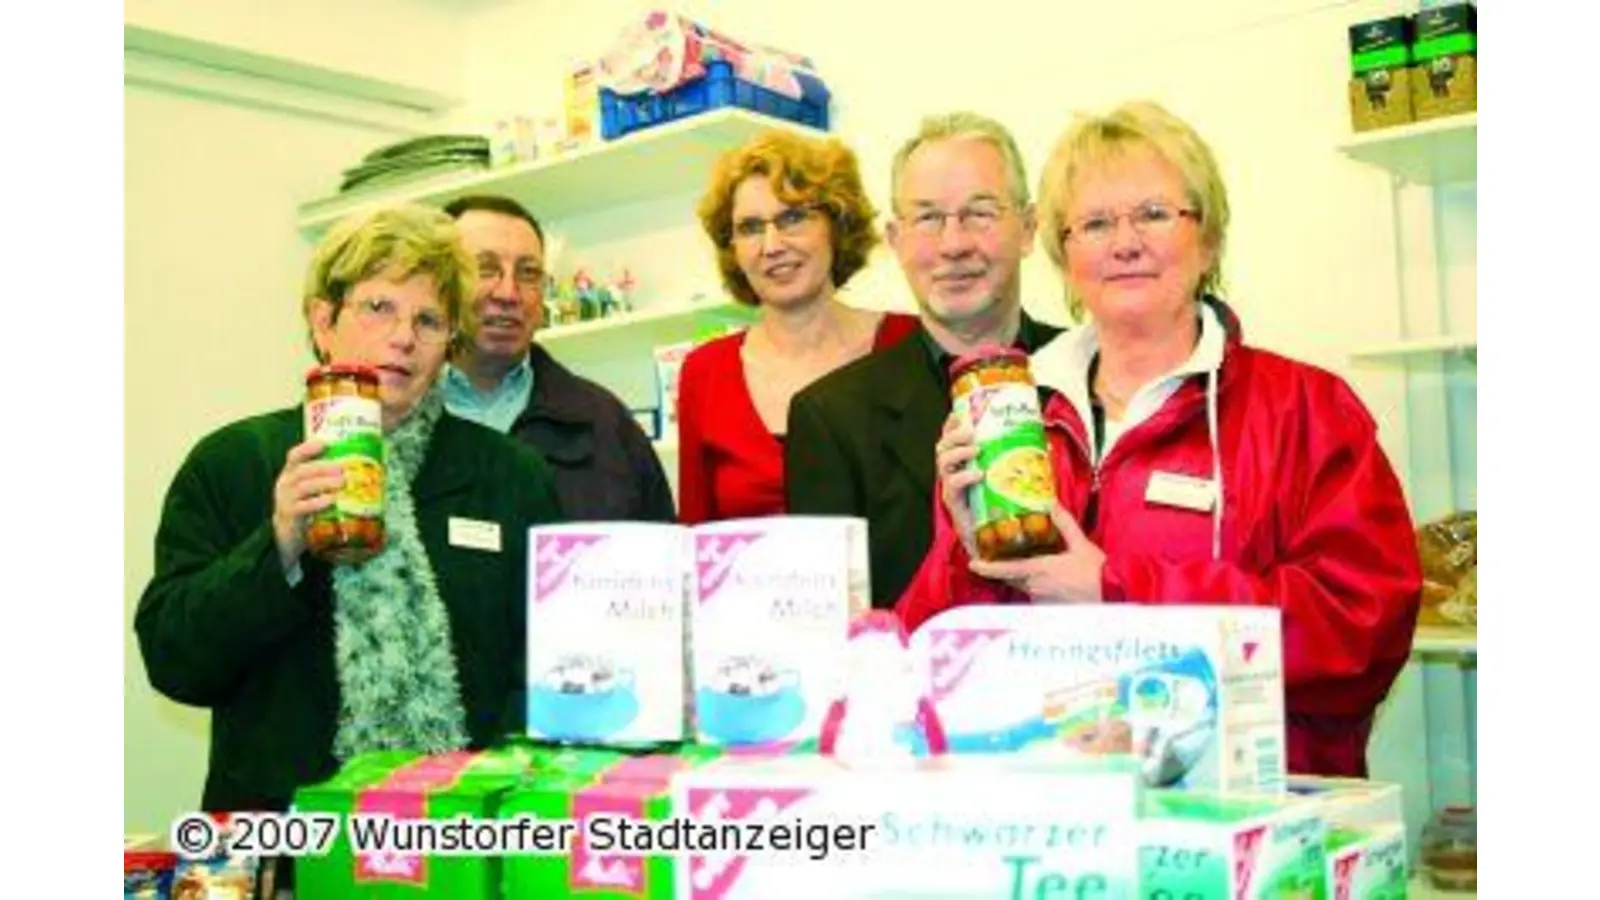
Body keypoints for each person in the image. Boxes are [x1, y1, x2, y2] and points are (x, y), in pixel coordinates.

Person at [899, 101, 1422, 777]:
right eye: (1094, 223)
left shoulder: (1305, 409)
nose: (1124, 243)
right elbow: (935, 664)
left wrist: (1115, 590)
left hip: (1248, 808)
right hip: (1055, 809)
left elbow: (1360, 631)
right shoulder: (1016, 420)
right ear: (1063, 255)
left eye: (1152, 213)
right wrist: (964, 557)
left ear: (1209, 240)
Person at [135, 204, 565, 816]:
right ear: (323, 321)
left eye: (429, 320)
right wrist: (279, 544)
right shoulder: (234, 463)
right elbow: (175, 661)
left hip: (459, 829)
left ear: (448, 344)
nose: (403, 336)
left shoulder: (510, 475)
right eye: (378, 307)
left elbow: (548, 667)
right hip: (283, 835)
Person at [785, 113, 1064, 608]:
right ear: (895, 240)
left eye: (980, 213)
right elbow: (834, 624)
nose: (953, 244)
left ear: (1027, 228)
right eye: (928, 218)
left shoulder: (1093, 374)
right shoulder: (830, 418)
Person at [676, 129, 919, 525]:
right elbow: (694, 536)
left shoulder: (909, 345)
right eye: (750, 228)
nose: (771, 246)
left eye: (792, 218)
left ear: (836, 224)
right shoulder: (704, 373)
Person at [441, 195, 675, 522]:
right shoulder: (392, 418)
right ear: (439, 284)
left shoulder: (605, 423)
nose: (508, 293)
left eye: (528, 273)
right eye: (485, 269)